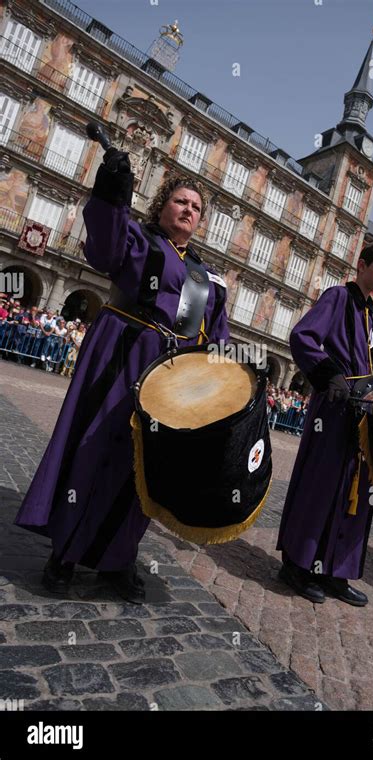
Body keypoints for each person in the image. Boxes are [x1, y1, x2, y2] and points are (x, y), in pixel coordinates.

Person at [14, 145, 230, 603]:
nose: (188, 210)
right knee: (96, 451)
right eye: (180, 201)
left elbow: (217, 342)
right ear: (161, 206)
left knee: (143, 472)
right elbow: (105, 248)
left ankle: (116, 559)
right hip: (122, 357)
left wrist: (224, 388)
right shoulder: (140, 239)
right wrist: (113, 189)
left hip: (172, 380)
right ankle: (65, 554)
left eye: (196, 207)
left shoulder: (207, 278)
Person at [276, 244, 373, 606]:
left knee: (352, 493)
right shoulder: (338, 297)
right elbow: (304, 336)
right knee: (320, 486)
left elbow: (371, 369)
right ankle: (297, 565)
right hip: (334, 409)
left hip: (363, 415)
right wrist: (329, 373)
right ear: (361, 266)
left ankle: (333, 571)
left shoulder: (370, 313)